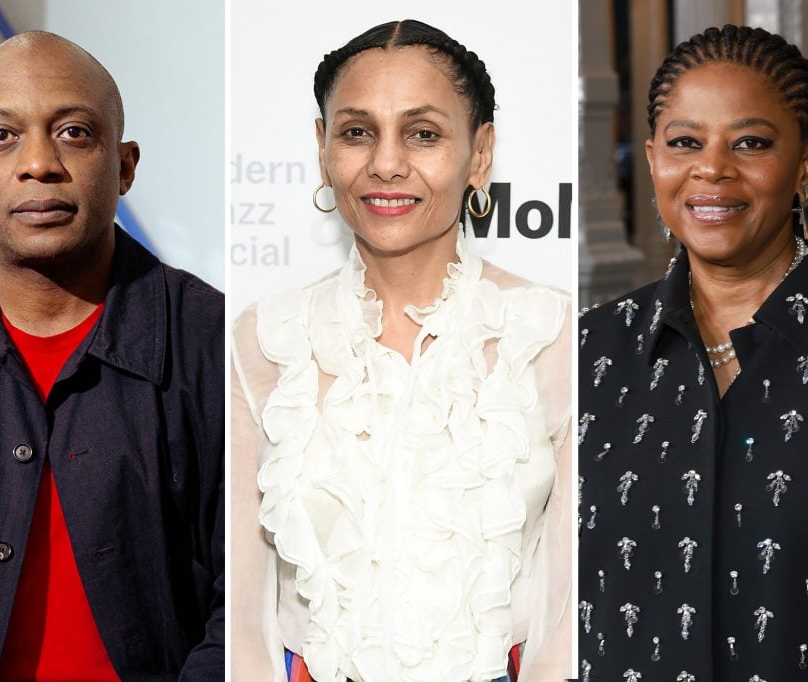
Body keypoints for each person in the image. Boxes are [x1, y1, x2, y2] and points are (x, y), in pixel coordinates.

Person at [232, 19, 571, 682]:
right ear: (322, 148)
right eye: (357, 131)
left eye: (423, 133)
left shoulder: (551, 336)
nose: (386, 162)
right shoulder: (264, 341)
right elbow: (245, 615)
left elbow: (568, 614)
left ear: (479, 154)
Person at [0, 32, 223, 680]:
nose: (38, 162)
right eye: (2, 136)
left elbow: (242, 602)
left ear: (124, 165)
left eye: (72, 132)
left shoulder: (212, 340)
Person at [578, 24, 808, 681]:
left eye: (750, 142)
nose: (712, 169)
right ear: (652, 159)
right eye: (685, 142)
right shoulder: (592, 351)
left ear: (807, 164)